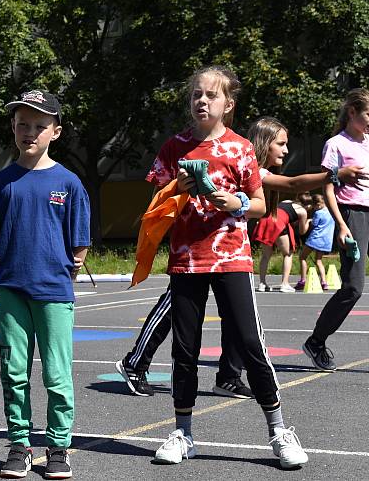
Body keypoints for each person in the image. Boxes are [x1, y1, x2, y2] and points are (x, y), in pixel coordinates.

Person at [116, 115, 363, 397]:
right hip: (198, 251)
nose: (285, 150)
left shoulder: (253, 170)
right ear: (265, 143)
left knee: (236, 314)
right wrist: (334, 175)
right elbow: (294, 184)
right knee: (171, 307)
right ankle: (135, 362)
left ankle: (228, 376)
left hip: (228, 254)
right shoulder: (251, 165)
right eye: (281, 144)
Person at [146, 67, 307, 469]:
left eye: (211, 96)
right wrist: (176, 190)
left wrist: (235, 203)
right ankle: (182, 432)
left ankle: (279, 430)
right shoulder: (174, 148)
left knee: (252, 346)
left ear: (228, 104)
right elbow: (155, 203)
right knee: (185, 351)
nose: (202, 101)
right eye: (197, 95)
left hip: (232, 258)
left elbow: (258, 204)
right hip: (187, 260)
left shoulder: (240, 148)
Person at [0, 89, 90, 480]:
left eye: (40, 126)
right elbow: (0, 233)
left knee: (57, 375)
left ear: (55, 132)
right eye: (23, 124)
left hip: (53, 293)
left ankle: (59, 447)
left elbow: (79, 241)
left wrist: (69, 269)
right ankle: (20, 445)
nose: (30, 132)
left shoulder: (70, 183)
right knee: (13, 372)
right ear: (13, 127)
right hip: (11, 288)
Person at [304, 88, 369, 372]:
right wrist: (341, 225)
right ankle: (317, 341)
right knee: (354, 287)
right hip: (351, 214)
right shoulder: (335, 145)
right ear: (352, 112)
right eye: (368, 114)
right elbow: (327, 187)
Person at [254, 195, 308, 293]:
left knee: (266, 255)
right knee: (288, 254)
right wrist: (307, 222)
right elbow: (302, 231)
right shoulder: (303, 211)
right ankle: (285, 284)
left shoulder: (287, 201)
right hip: (277, 222)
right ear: (308, 206)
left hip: (266, 219)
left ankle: (262, 283)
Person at [296, 194, 335, 291]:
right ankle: (324, 282)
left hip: (315, 238)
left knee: (302, 257)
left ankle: (303, 280)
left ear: (317, 205)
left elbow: (314, 224)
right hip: (326, 240)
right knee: (318, 260)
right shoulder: (331, 212)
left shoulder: (318, 213)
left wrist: (309, 220)